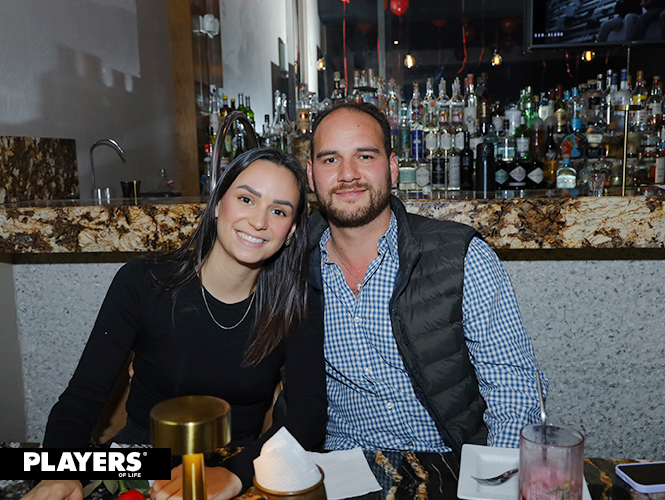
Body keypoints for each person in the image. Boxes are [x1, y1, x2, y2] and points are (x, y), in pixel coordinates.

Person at [22, 148, 326, 500]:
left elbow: (308, 412)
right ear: (218, 204)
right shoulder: (142, 282)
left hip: (234, 465)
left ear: (290, 231)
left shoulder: (295, 302)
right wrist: (59, 472)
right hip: (138, 463)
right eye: (246, 199)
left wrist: (235, 474)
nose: (259, 221)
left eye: (278, 211)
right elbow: (82, 396)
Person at [306, 101, 548, 457]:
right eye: (331, 160)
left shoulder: (461, 256)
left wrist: (495, 477)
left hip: (448, 464)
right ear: (311, 174)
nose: (348, 174)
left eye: (365, 156)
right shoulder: (292, 264)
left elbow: (513, 388)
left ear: (392, 167)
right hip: (341, 465)